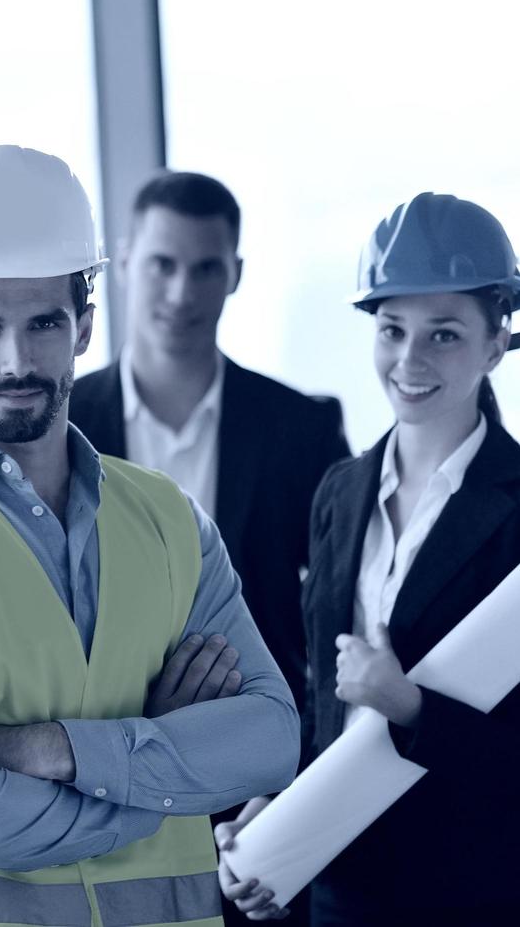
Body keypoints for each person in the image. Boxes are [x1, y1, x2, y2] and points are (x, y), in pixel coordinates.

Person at [0, 146, 300, 927]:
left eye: (43, 322)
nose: (16, 360)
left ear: (83, 327)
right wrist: (160, 777)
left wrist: (45, 749)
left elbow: (271, 739)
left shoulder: (171, 522)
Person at [217, 192, 520, 925]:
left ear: (495, 342)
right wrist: (280, 810)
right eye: (392, 331)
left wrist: (408, 706)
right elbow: (325, 702)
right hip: (342, 885)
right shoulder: (340, 491)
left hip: (469, 891)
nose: (408, 360)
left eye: (442, 334)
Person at [70, 171, 350, 715]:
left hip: (267, 755)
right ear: (123, 264)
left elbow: (343, 606)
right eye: (163, 265)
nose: (182, 293)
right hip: (100, 740)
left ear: (236, 274)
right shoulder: (62, 421)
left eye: (206, 269)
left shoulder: (302, 427)